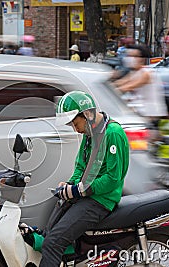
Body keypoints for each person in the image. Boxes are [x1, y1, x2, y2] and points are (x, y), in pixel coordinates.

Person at [23, 91, 130, 266]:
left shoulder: (113, 133)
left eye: (75, 123)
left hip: (100, 201)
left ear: (87, 114)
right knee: (47, 235)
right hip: (85, 195)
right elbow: (80, 166)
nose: (75, 129)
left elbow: (113, 179)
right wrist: (70, 184)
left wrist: (80, 189)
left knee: (52, 244)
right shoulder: (89, 134)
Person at [113, 44, 168, 120]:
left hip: (149, 115)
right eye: (129, 56)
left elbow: (125, 87)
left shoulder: (146, 73)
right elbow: (119, 83)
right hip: (138, 111)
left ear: (143, 59)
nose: (130, 59)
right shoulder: (134, 72)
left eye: (135, 56)